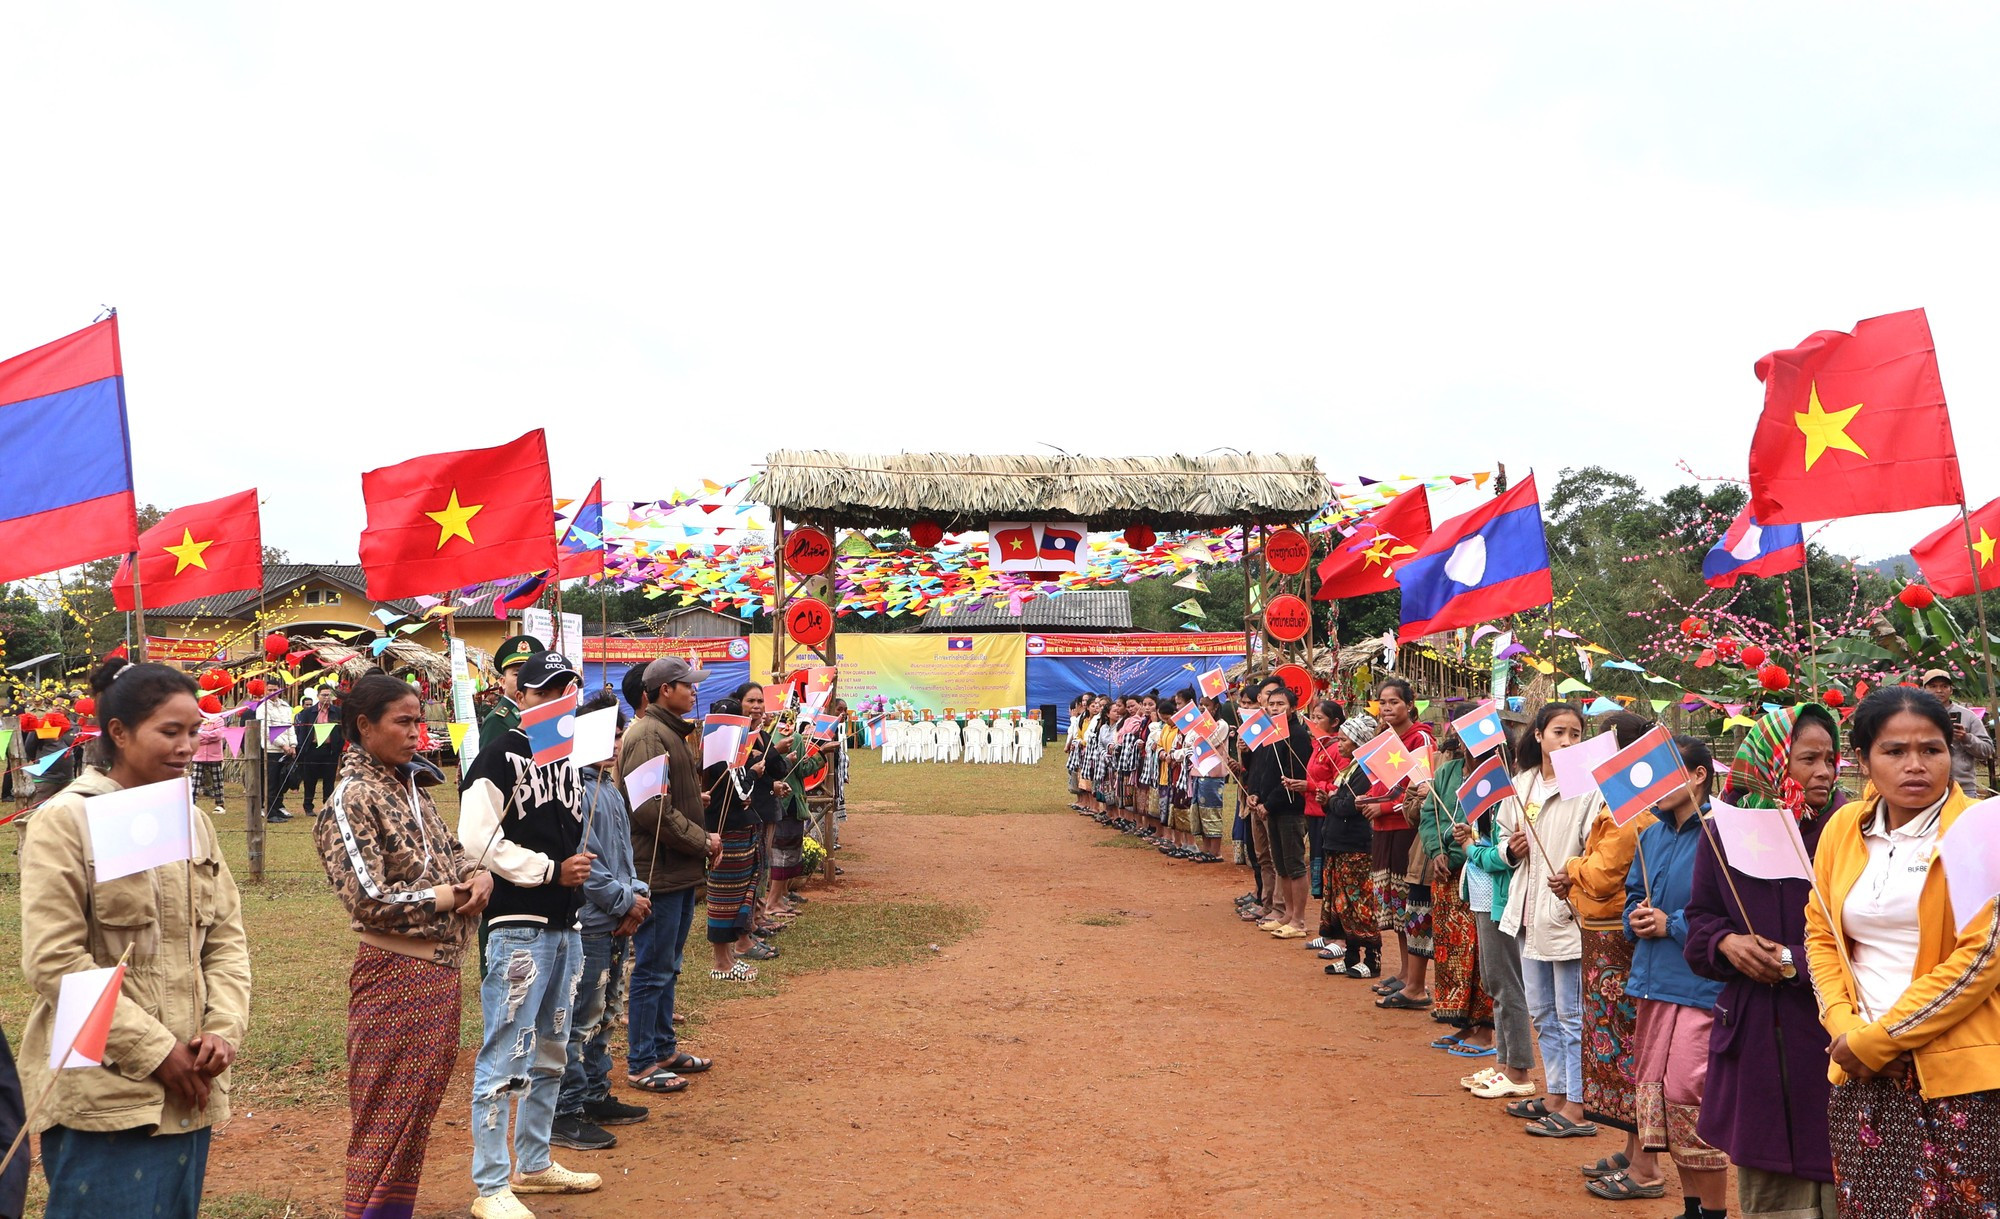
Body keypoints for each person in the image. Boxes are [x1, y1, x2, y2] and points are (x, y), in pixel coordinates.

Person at [19, 659, 251, 1219]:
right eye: (169, 732)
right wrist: (153, 1051)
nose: (186, 747)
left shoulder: (192, 820)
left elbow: (225, 939)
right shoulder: (67, 820)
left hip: (190, 1085)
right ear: (118, 733)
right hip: (103, 1090)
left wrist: (221, 1028)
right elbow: (54, 962)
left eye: (194, 731)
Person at [1805, 687, 2000, 1219]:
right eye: (1894, 751)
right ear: (1863, 760)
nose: (1915, 765)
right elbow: (1821, 934)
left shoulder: (1983, 830)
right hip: (1859, 1071)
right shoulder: (1842, 830)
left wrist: (1881, 1040)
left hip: (1960, 1080)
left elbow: (1982, 958)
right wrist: (1845, 1029)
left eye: (1931, 750)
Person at [315, 673, 490, 1217]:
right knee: (384, 1116)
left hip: (439, 975)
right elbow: (367, 899)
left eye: (420, 721)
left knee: (413, 1114)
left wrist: (478, 877)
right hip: (395, 974)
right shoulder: (352, 798)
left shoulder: (410, 786)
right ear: (364, 726)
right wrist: (446, 895)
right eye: (404, 722)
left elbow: (453, 851)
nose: (418, 733)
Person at [1685, 703, 1847, 1219]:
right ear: (1772, 762)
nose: (1824, 772)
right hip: (1756, 1046)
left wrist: (1795, 962)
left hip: (1831, 1044)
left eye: (1831, 758)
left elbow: (1869, 941)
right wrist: (1725, 945)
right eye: (1808, 759)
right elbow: (1700, 923)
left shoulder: (1852, 834)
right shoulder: (1723, 833)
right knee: (1770, 1198)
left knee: (1842, 1184)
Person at [456, 649, 602, 1218]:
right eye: (546, 690)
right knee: (505, 1052)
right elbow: (475, 839)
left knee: (551, 1049)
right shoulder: (502, 753)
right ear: (522, 696)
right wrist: (547, 871)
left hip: (566, 927)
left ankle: (535, 1163)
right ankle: (491, 1184)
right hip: (520, 926)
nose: (560, 698)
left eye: (568, 688)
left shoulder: (566, 761)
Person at [1624, 736, 1730, 1216]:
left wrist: (1675, 924)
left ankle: (1714, 1211)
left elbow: (1735, 915)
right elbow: (1631, 897)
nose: (1655, 786)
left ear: (1698, 775)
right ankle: (1692, 1208)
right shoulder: (1649, 835)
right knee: (1661, 1099)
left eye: (1667, 773)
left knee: (1690, 1095)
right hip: (1652, 981)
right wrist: (1637, 917)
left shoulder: (1723, 834)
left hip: (1699, 986)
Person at [1558, 712, 1661, 1198]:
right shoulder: (1621, 802)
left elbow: (1600, 877)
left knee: (1627, 1048)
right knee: (1616, 1047)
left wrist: (1574, 867)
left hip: (1618, 944)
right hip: (1601, 937)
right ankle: (1630, 1148)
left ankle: (1647, 1165)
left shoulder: (1632, 809)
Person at [552, 693, 654, 1152]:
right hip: (593, 922)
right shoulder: (574, 787)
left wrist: (637, 895)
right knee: (581, 1016)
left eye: (619, 734)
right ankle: (567, 1109)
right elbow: (585, 862)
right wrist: (622, 902)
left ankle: (596, 1093)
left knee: (607, 1012)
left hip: (617, 917)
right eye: (609, 735)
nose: (617, 742)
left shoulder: (608, 787)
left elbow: (625, 855)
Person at [1492, 701, 1596, 1134]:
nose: (1567, 741)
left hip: (1566, 912)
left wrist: (1573, 875)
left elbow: (1597, 846)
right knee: (1541, 1011)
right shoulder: (1521, 785)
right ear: (1538, 736)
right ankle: (1554, 1092)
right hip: (1528, 913)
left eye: (1575, 733)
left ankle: (1577, 1104)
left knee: (1572, 1015)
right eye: (1558, 732)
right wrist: (1509, 850)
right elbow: (1502, 837)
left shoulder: (1589, 788)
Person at [618, 657, 717, 1096]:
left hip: (676, 871)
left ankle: (662, 1048)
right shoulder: (647, 736)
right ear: (663, 691)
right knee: (653, 971)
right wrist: (701, 840)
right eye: (686, 685)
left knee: (667, 968)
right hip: (657, 873)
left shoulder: (669, 732)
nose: (694, 691)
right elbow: (650, 810)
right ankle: (641, 1061)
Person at [1417, 729, 1494, 1053]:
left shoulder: (1495, 777)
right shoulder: (1448, 770)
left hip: (1478, 873)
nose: (1465, 743)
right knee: (1450, 951)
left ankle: (1485, 1031)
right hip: (1444, 873)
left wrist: (1460, 852)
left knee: (1480, 954)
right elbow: (1429, 815)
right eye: (1461, 736)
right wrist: (1436, 851)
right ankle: (1462, 1023)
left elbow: (1488, 825)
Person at [1360, 678, 1436, 1008]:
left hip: (1404, 827)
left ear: (1409, 703)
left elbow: (1419, 788)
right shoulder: (1384, 738)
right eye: (1382, 702)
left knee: (1407, 904)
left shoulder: (1419, 737)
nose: (1387, 708)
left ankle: (1414, 979)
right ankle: (1405, 973)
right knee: (1392, 904)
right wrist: (1369, 800)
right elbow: (1382, 783)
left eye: (1394, 702)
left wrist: (1386, 806)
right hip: (1382, 828)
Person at [1249, 678, 1313, 939]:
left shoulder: (1297, 735)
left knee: (1295, 865)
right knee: (1281, 865)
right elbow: (1263, 769)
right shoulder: (1270, 732)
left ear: (1293, 708)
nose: (1275, 708)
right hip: (1270, 808)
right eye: (1272, 704)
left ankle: (1298, 919)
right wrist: (1255, 795)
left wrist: (1269, 803)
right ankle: (1286, 913)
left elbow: (1293, 774)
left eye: (1281, 704)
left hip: (1289, 808)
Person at [1323, 713, 1383, 979]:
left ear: (1359, 742)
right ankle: (1350, 956)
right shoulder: (1350, 768)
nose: (1339, 744)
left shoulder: (1366, 772)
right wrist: (1332, 799)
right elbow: (1341, 802)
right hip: (1338, 844)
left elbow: (1350, 806)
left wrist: (1332, 800)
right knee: (1341, 903)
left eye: (1344, 740)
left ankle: (1372, 958)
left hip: (1356, 847)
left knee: (1360, 903)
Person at [1921, 667, 1994, 795]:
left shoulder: (1967, 716)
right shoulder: (1914, 715)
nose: (1939, 690)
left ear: (1951, 690)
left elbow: (1987, 750)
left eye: (1944, 686)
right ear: (1923, 690)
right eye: (1933, 686)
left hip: (1962, 788)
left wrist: (1966, 738)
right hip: (1925, 786)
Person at [478, 634, 545, 752]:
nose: (524, 679)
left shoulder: (534, 714)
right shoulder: (497, 721)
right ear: (503, 682)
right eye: (517, 674)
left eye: (530, 673)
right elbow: (490, 766)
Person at [295, 682, 344, 816]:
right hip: (312, 749)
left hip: (330, 750)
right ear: (318, 696)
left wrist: (338, 747)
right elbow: (302, 731)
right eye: (324, 695)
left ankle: (328, 806)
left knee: (329, 781)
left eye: (329, 695)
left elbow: (342, 731)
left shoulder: (337, 712)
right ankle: (308, 807)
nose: (326, 698)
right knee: (310, 780)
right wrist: (302, 748)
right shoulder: (307, 713)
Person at [256, 684, 298, 822]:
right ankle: (270, 811)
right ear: (265, 690)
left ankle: (278, 807)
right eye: (270, 690)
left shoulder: (286, 706)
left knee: (282, 780)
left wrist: (292, 744)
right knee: (271, 781)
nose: (273, 692)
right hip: (272, 748)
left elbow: (290, 726)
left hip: (286, 748)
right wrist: (283, 744)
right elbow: (266, 730)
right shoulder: (262, 708)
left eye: (275, 690)